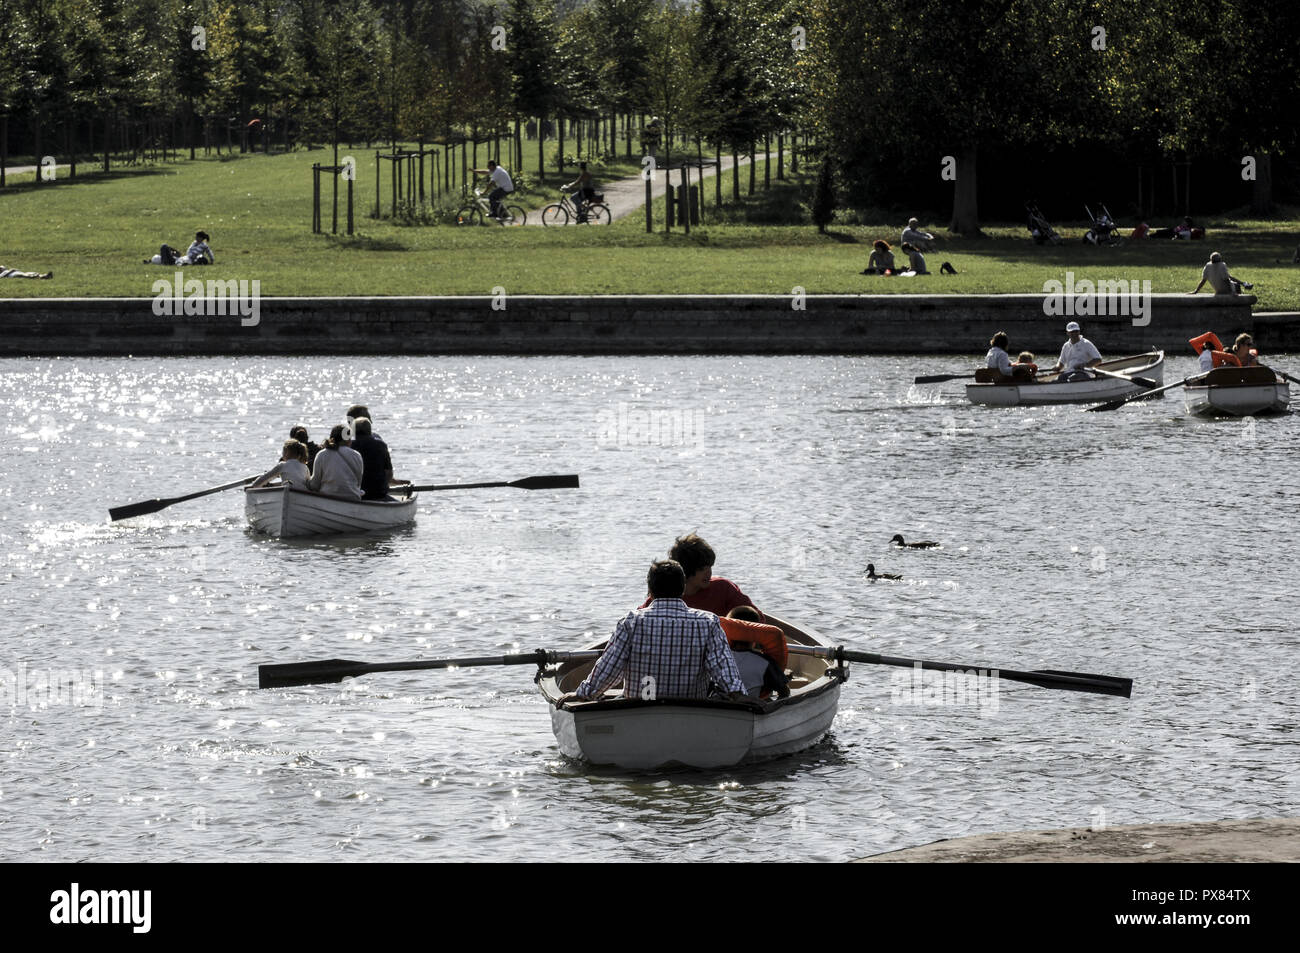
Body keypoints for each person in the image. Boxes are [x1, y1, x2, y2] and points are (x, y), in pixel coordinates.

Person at [566, 560, 745, 702]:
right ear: (682, 588)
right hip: (691, 710)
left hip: (640, 707)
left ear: (650, 590)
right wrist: (738, 694)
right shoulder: (708, 622)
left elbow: (610, 668)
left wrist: (585, 693)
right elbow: (722, 668)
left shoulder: (631, 621)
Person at [639, 533, 757, 618]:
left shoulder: (723, 588)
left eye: (710, 567)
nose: (709, 573)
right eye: (702, 569)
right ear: (685, 571)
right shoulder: (663, 596)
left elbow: (757, 619)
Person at [719, 605, 790, 700]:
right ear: (757, 632)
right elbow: (784, 692)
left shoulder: (717, 657)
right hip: (749, 710)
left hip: (715, 706)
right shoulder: (765, 663)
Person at [351, 416, 409, 500]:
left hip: (354, 492)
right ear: (369, 430)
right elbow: (389, 473)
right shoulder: (380, 445)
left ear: (353, 430)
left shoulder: (348, 446)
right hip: (377, 493)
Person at [307, 423, 364, 498]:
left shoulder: (322, 454)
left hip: (328, 497)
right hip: (352, 498)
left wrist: (305, 481)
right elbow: (358, 483)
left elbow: (315, 485)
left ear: (331, 438)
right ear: (348, 440)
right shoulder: (357, 455)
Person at [149, 230, 214, 266]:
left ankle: (163, 262)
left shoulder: (204, 246)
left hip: (177, 261)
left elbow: (209, 253)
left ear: (201, 238)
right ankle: (157, 261)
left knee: (164, 246)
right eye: (196, 237)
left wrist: (211, 261)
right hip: (178, 259)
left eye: (197, 237)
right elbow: (188, 252)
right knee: (164, 246)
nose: (196, 238)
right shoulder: (194, 243)